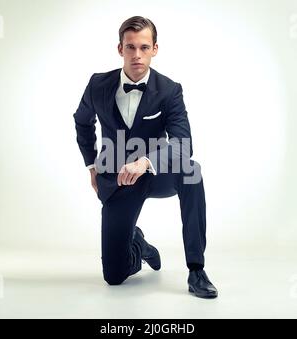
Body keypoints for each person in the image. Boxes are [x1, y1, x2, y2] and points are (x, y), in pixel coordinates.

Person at [73, 16, 218, 298]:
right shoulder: (97, 85)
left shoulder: (169, 90)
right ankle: (139, 245)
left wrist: (145, 162)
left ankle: (196, 269)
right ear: (120, 49)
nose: (137, 55)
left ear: (154, 49)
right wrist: (90, 163)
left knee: (192, 170)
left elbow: (182, 143)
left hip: (154, 173)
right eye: (130, 47)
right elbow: (82, 121)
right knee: (113, 277)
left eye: (143, 47)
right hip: (118, 178)